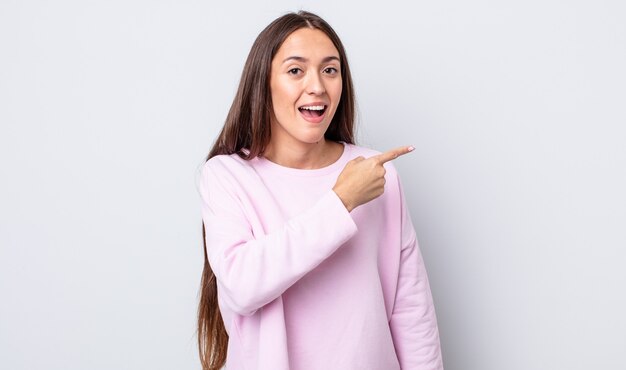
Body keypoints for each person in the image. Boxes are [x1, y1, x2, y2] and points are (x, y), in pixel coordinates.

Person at [196, 10, 443, 370]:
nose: (317, 86)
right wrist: (341, 201)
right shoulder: (228, 175)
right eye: (296, 70)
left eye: (330, 70)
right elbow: (241, 285)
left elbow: (412, 312)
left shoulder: (377, 173)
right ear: (262, 82)